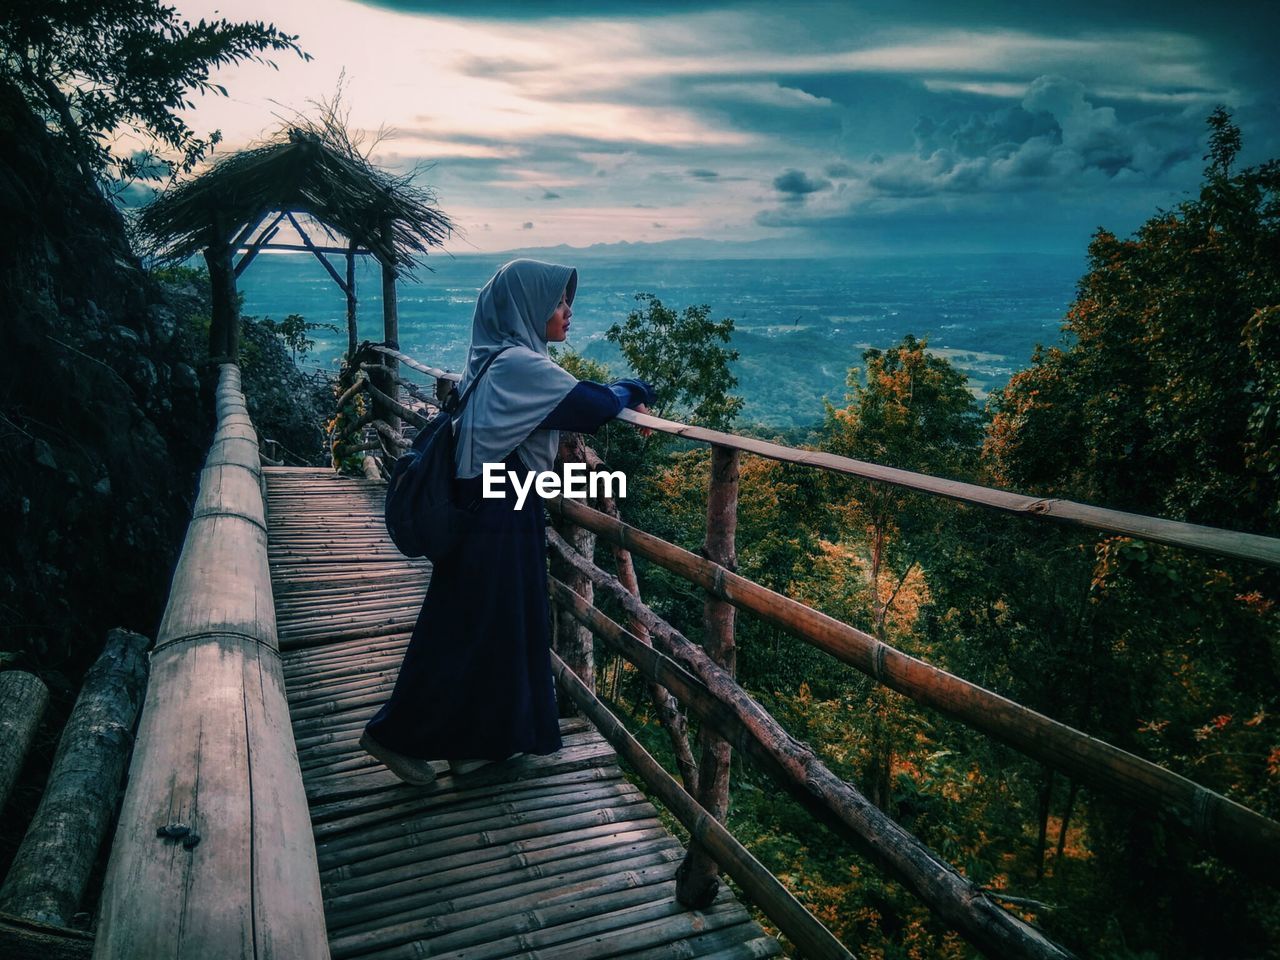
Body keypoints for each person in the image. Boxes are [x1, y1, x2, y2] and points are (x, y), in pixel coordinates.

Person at [360, 259, 655, 784]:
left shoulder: (494, 355)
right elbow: (591, 405)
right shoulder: (519, 365)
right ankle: (393, 734)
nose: (566, 312)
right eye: (557, 303)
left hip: (492, 504)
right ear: (527, 308)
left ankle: (479, 745)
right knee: (466, 629)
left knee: (490, 628)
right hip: (496, 511)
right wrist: (638, 387)